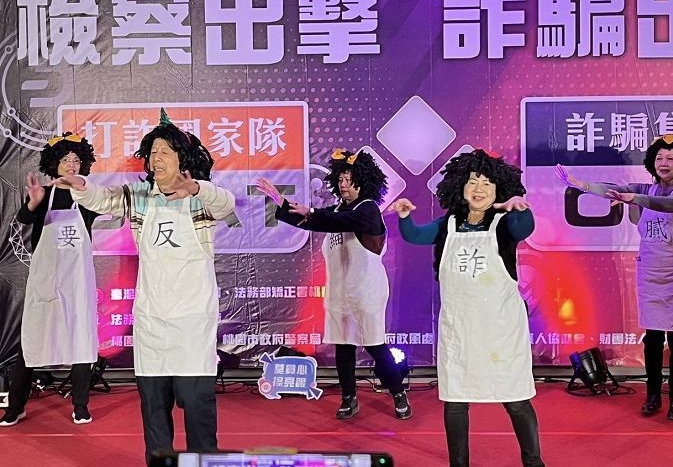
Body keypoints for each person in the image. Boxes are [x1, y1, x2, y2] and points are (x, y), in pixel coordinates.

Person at [51, 110, 236, 463]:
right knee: (153, 407)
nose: (157, 158)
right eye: (152, 153)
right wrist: (82, 187)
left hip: (192, 321)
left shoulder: (201, 196)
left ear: (183, 158)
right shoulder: (138, 195)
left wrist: (196, 188)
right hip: (152, 320)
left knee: (196, 404)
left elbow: (226, 205)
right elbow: (103, 199)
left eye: (166, 151)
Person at [389, 149, 544, 467]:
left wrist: (521, 208)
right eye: (473, 181)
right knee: (456, 401)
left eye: (487, 183)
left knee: (515, 399)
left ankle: (533, 462)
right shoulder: (448, 224)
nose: (479, 188)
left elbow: (524, 228)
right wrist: (404, 217)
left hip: (500, 333)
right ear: (460, 186)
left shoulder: (505, 224)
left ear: (499, 189)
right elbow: (416, 235)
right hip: (460, 331)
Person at [256, 148, 411, 421]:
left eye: (349, 180)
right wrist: (282, 203)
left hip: (366, 292)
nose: (343, 185)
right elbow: (313, 221)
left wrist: (313, 212)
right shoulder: (336, 210)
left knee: (375, 346)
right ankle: (349, 398)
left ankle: (398, 392)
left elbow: (339, 221)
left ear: (363, 182)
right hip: (339, 293)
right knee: (344, 346)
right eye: (340, 179)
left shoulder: (368, 209)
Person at [554, 135, 673, 420]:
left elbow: (665, 205)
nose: (664, 163)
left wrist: (635, 199)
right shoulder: (644, 188)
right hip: (650, 274)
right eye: (659, 158)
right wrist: (581, 185)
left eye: (671, 158)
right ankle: (653, 395)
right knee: (652, 340)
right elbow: (613, 191)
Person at [0, 134, 100, 427]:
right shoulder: (43, 193)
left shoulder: (87, 196)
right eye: (65, 159)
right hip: (46, 281)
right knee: (31, 340)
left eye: (76, 160)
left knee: (81, 338)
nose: (71, 164)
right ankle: (16, 406)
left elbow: (105, 203)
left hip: (77, 282)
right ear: (54, 163)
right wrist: (33, 203)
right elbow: (24, 217)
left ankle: (80, 405)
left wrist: (83, 188)